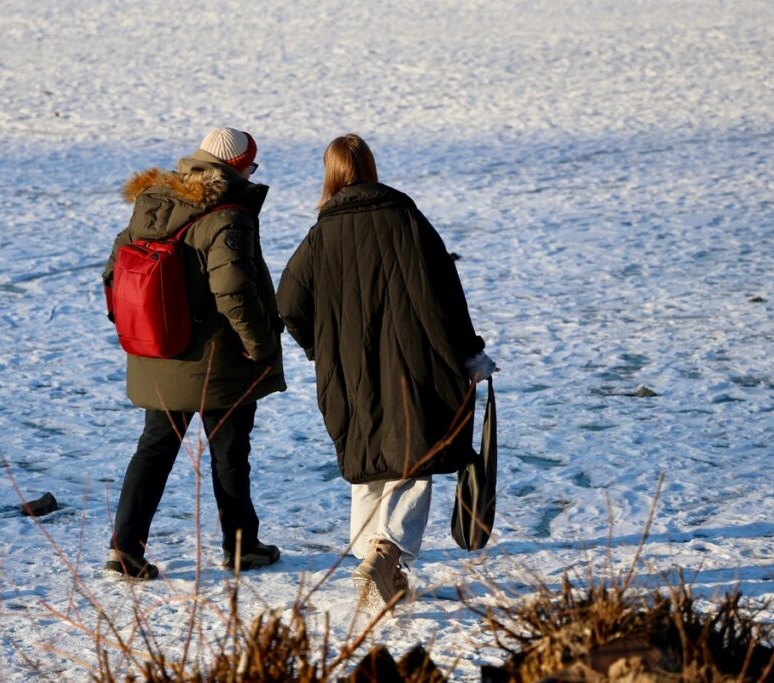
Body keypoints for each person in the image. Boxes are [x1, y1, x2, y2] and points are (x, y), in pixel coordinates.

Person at [276, 134, 496, 611]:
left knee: (369, 461)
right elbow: (446, 293)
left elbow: (288, 304)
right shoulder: (406, 218)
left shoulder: (321, 234)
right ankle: (386, 553)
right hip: (413, 361)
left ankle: (371, 562)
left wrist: (323, 348)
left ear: (330, 174)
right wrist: (470, 351)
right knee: (410, 459)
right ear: (371, 167)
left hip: (348, 370)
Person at [101, 128, 286, 579]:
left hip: (157, 354)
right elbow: (235, 294)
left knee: (154, 449)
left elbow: (113, 277)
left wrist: (147, 333)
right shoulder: (227, 217)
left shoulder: (153, 204)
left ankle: (125, 550)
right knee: (229, 451)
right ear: (240, 166)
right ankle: (241, 547)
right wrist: (259, 347)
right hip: (216, 361)